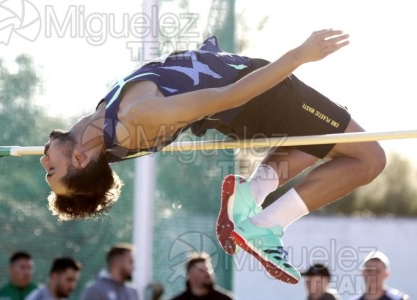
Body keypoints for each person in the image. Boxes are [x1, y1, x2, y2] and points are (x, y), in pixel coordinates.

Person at [40, 29, 386, 284]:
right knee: (369, 158)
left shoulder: (96, 129)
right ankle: (266, 225)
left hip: (247, 100)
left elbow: (89, 174)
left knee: (326, 141)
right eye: (50, 170)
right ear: (81, 159)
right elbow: (232, 95)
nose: (43, 160)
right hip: (259, 96)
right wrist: (300, 53)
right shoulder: (135, 117)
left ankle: (250, 197)